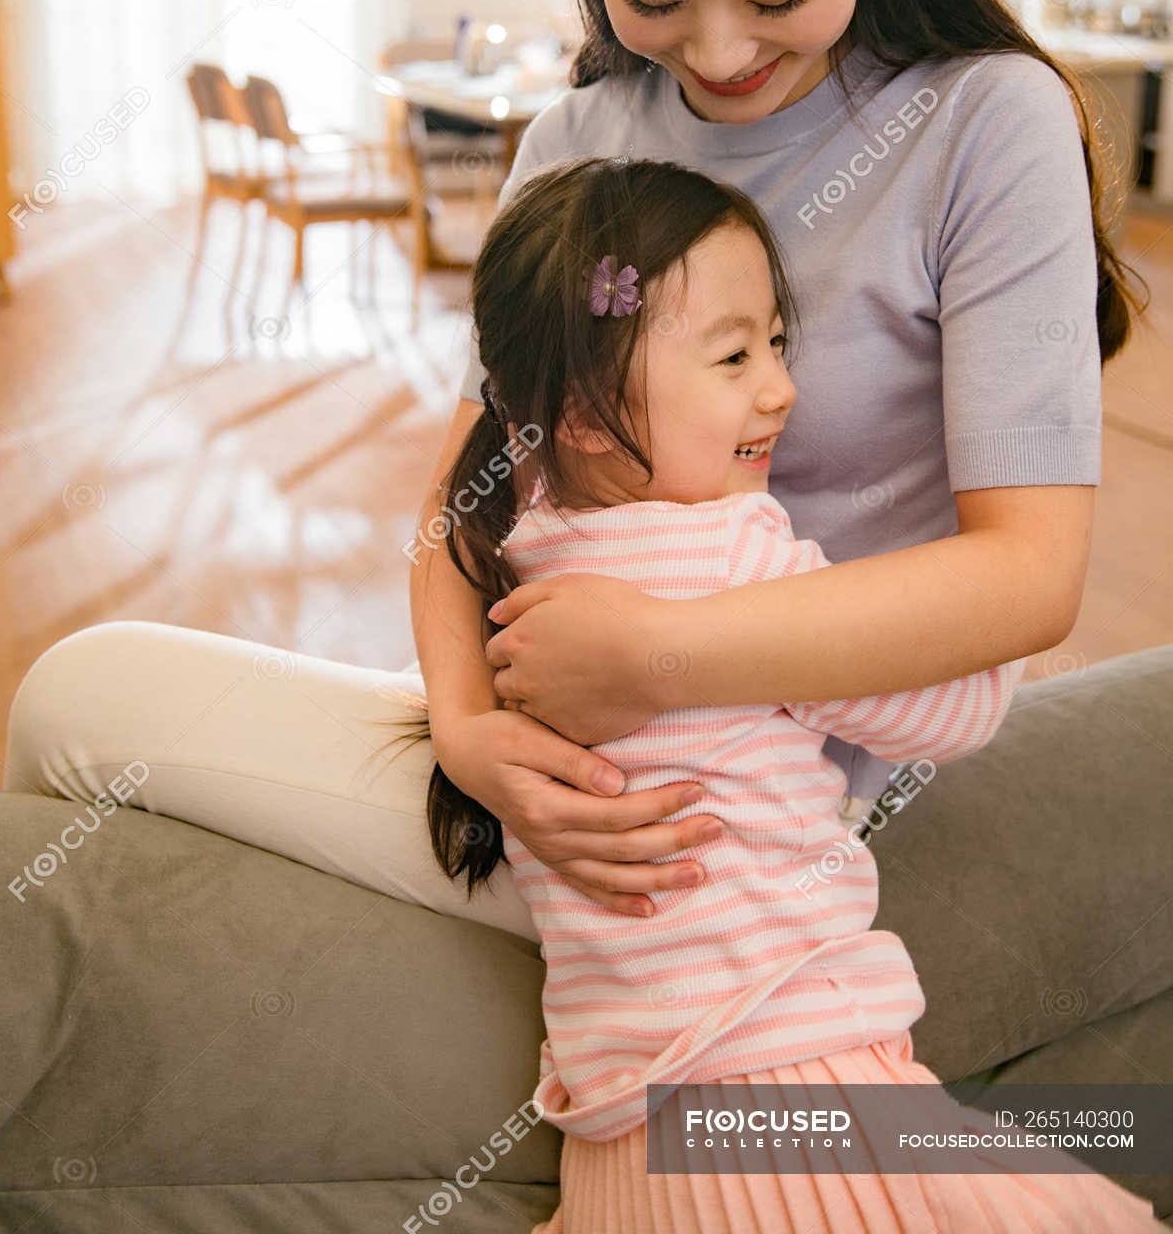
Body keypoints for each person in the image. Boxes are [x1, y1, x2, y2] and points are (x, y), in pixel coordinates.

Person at [4, 0, 1147, 947]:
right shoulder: (572, 140)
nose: (718, 54)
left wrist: (658, 654)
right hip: (555, 733)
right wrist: (470, 730)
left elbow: (1029, 581)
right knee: (86, 717)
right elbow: (470, 498)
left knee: (82, 703)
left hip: (752, 796)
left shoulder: (986, 122)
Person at [398, 152, 1154, 1232]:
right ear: (579, 415)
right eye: (733, 355)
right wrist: (985, 597)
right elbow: (958, 716)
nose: (779, 387)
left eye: (778, 344)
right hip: (790, 1086)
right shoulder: (737, 553)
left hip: (617, 1133)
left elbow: (444, 517)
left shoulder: (525, 551)